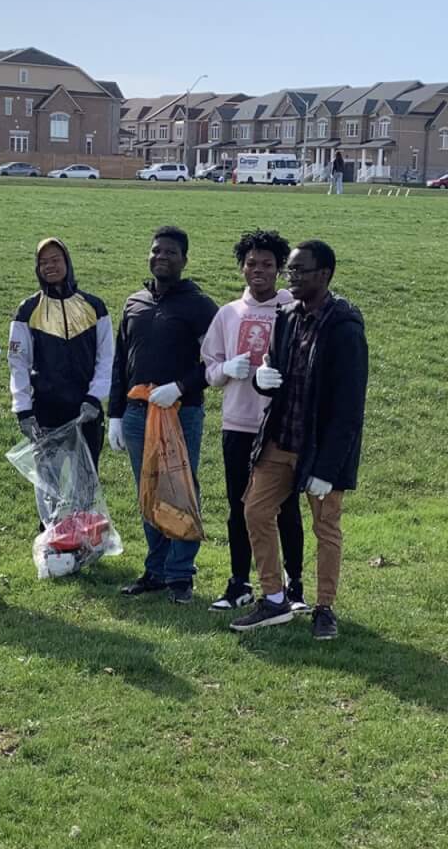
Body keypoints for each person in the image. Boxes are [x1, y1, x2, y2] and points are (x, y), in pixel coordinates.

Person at [231, 239, 367, 642]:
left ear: (324, 274)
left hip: (321, 448)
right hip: (280, 438)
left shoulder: (344, 327)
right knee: (255, 510)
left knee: (326, 527)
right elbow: (274, 369)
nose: (291, 277)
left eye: (299, 270)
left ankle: (324, 608)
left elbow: (349, 408)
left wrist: (327, 469)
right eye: (289, 270)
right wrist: (263, 379)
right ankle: (274, 598)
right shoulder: (287, 316)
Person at [109, 225, 217, 604]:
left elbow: (214, 363)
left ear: (184, 259)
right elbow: (121, 361)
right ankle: (155, 570)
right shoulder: (134, 303)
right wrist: (115, 414)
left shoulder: (200, 306)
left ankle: (180, 573)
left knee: (180, 489)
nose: (162, 257)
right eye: (157, 250)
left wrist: (181, 387)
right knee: (149, 489)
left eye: (171, 252)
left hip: (180, 412)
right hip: (138, 413)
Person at [201, 229, 303, 613]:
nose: (258, 270)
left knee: (286, 507)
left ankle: (294, 585)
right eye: (251, 263)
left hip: (281, 425)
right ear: (242, 268)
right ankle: (239, 582)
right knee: (238, 505)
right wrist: (226, 368)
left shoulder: (293, 309)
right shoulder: (228, 314)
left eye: (267, 264)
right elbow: (209, 369)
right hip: (238, 422)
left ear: (279, 269)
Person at [8, 236, 114, 492]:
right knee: (50, 491)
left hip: (86, 412)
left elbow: (107, 357)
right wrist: (23, 409)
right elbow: (18, 363)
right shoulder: (27, 310)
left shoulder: (94, 306)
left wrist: (95, 397)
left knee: (86, 490)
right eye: (43, 262)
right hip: (46, 412)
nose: (50, 266)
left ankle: (85, 521)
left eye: (55, 260)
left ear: (67, 262)